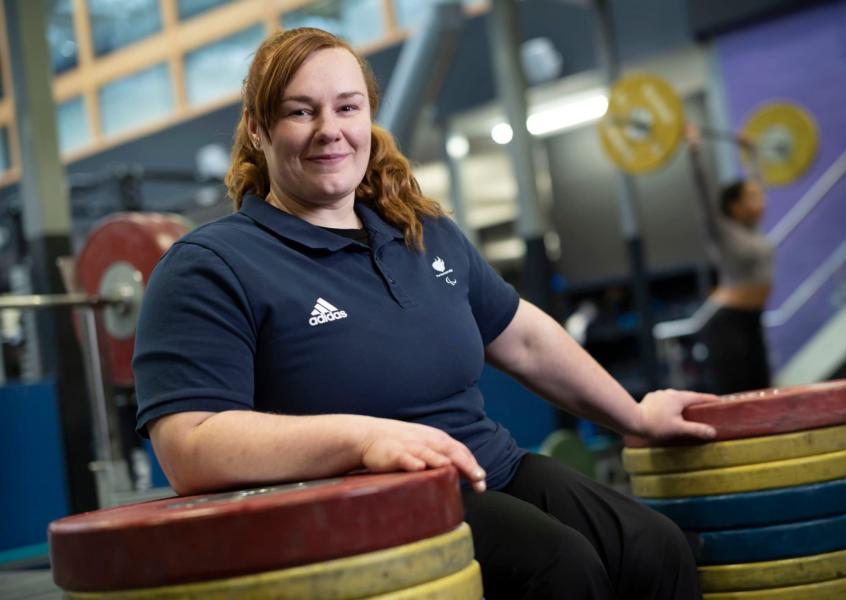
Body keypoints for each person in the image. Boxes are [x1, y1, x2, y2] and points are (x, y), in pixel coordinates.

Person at [133, 28, 720, 600]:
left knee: (655, 547)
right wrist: (363, 438)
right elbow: (190, 444)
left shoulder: (421, 231)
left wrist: (635, 418)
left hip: (489, 466)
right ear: (257, 130)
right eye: (300, 112)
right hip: (359, 506)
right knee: (560, 570)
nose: (330, 130)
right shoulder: (211, 264)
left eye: (347, 107)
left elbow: (526, 339)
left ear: (369, 116)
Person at [685, 124, 774, 394]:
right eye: (752, 197)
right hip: (726, 324)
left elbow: (756, 183)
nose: (761, 201)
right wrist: (694, 151)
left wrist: (750, 153)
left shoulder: (752, 232)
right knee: (738, 398)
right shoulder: (721, 232)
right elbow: (703, 195)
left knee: (763, 392)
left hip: (752, 320)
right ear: (735, 205)